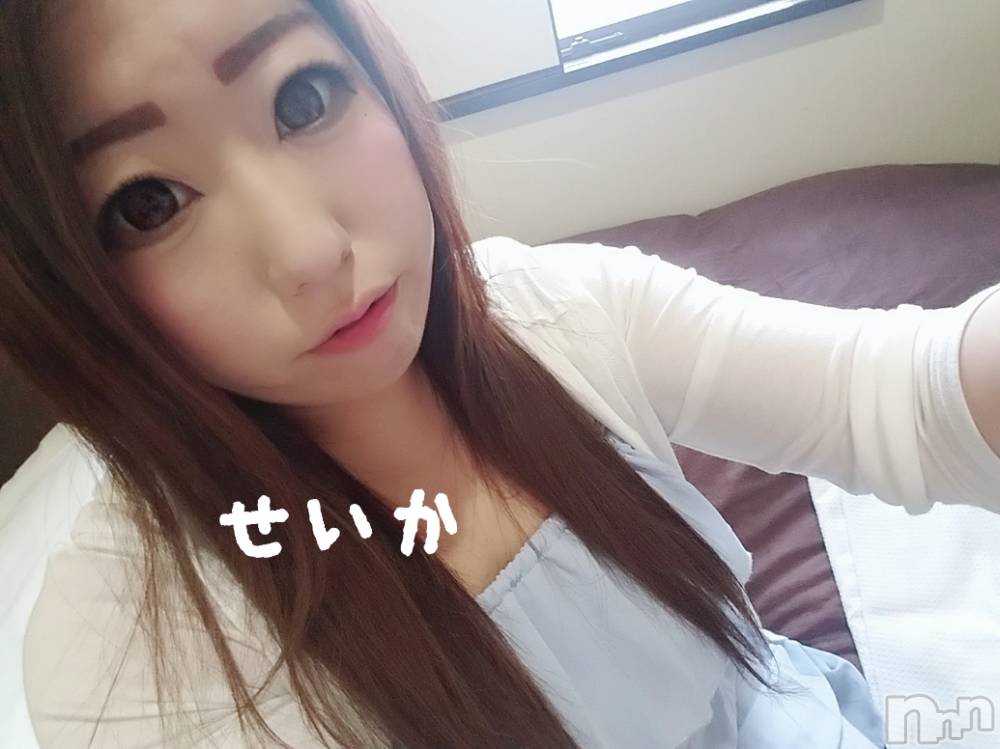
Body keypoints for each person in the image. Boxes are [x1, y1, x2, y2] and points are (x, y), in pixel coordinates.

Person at [1, 1, 998, 747]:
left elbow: (904, 398)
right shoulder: (129, 649)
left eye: (303, 96)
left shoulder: (550, 313)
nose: (310, 250)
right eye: (148, 203)